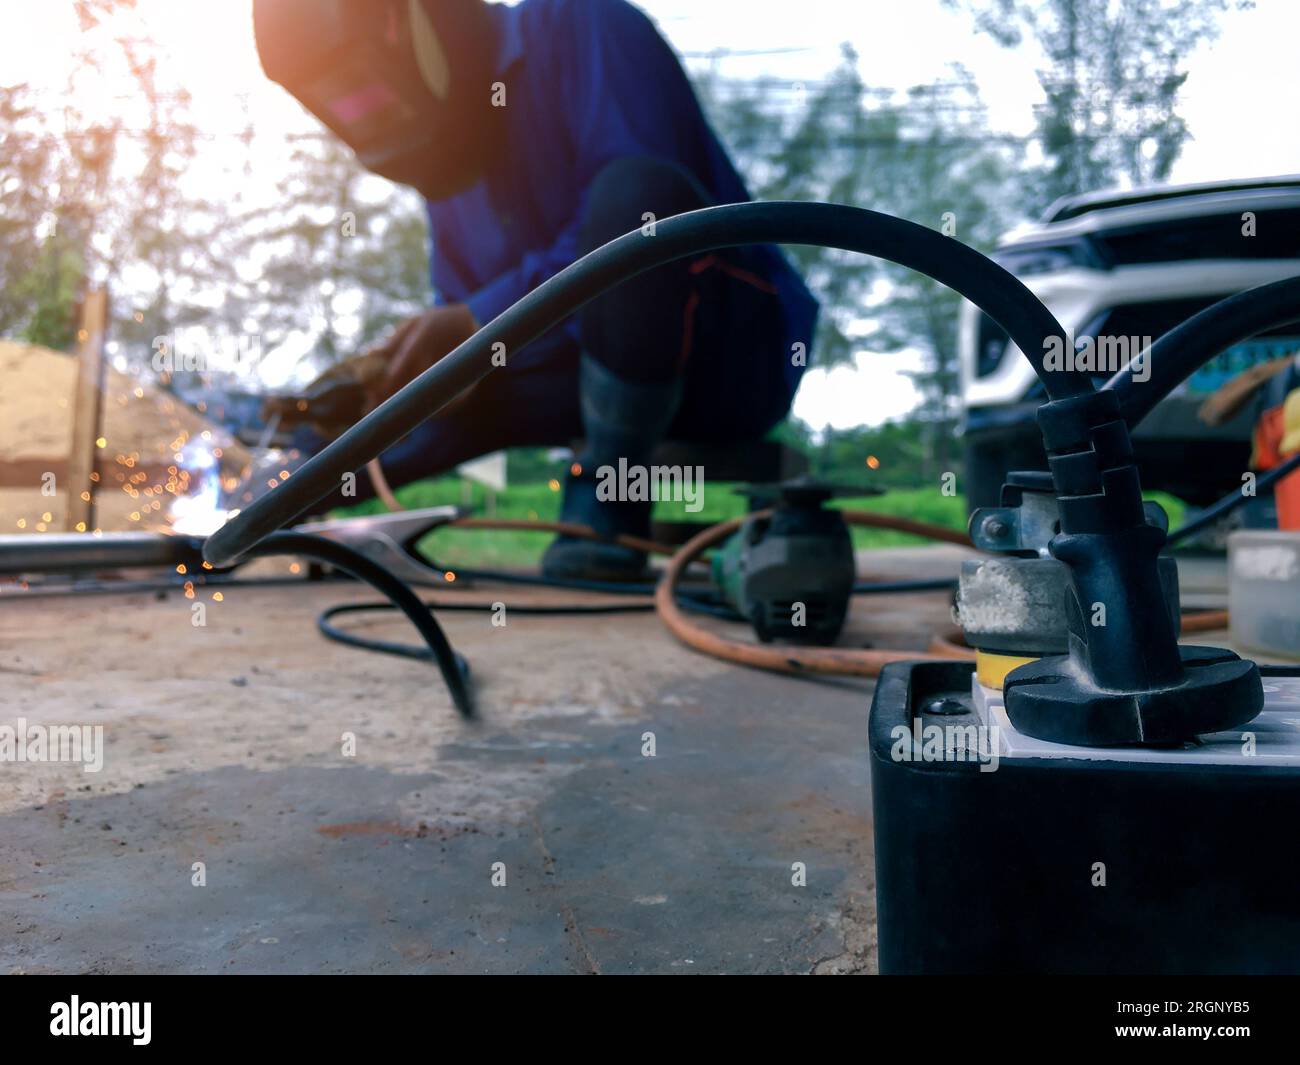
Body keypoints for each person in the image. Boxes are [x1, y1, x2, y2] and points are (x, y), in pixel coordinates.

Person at [254, 0, 818, 579]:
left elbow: (652, 222)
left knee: (634, 200)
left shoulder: (585, 27)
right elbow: (469, 330)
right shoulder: (446, 157)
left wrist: (479, 320)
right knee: (428, 391)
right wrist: (422, 374)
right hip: (570, 378)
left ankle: (612, 492)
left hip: (732, 357)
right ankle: (263, 502)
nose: (370, 111)